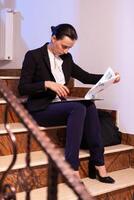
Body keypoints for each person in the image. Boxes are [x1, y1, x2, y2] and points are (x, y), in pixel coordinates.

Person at [18, 23, 120, 183]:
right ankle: (71, 167)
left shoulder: (67, 58)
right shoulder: (33, 56)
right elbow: (23, 88)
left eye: (69, 48)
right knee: (78, 108)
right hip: (40, 109)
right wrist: (46, 83)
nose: (66, 51)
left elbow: (85, 77)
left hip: (59, 106)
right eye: (64, 46)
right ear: (53, 38)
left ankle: (98, 162)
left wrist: (110, 77)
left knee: (89, 105)